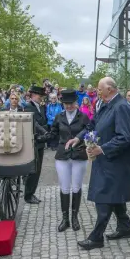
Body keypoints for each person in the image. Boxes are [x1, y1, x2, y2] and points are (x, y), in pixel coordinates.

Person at [66, 77, 130, 250]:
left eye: (100, 88)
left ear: (110, 89)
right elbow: (93, 125)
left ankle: (96, 237)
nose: (97, 91)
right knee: (114, 194)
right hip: (106, 160)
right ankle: (125, 227)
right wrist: (78, 137)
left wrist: (102, 149)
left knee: (104, 196)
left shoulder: (121, 107)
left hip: (115, 162)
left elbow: (124, 137)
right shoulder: (106, 104)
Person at [47, 89, 90, 232]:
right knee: (64, 187)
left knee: (76, 187)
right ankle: (65, 219)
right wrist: (40, 137)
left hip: (79, 155)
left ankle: (74, 217)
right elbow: (53, 133)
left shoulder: (83, 116)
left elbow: (89, 131)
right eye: (66, 104)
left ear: (76, 103)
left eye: (71, 103)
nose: (69, 106)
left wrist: (81, 139)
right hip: (63, 155)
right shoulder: (59, 117)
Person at [23, 85, 48, 204]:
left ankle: (32, 193)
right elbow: (34, 123)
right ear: (33, 95)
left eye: (42, 96)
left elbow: (44, 121)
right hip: (33, 141)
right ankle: (28, 195)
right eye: (39, 95)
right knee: (33, 170)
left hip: (40, 142)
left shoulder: (41, 107)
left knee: (37, 170)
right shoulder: (28, 107)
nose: (41, 98)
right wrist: (45, 132)